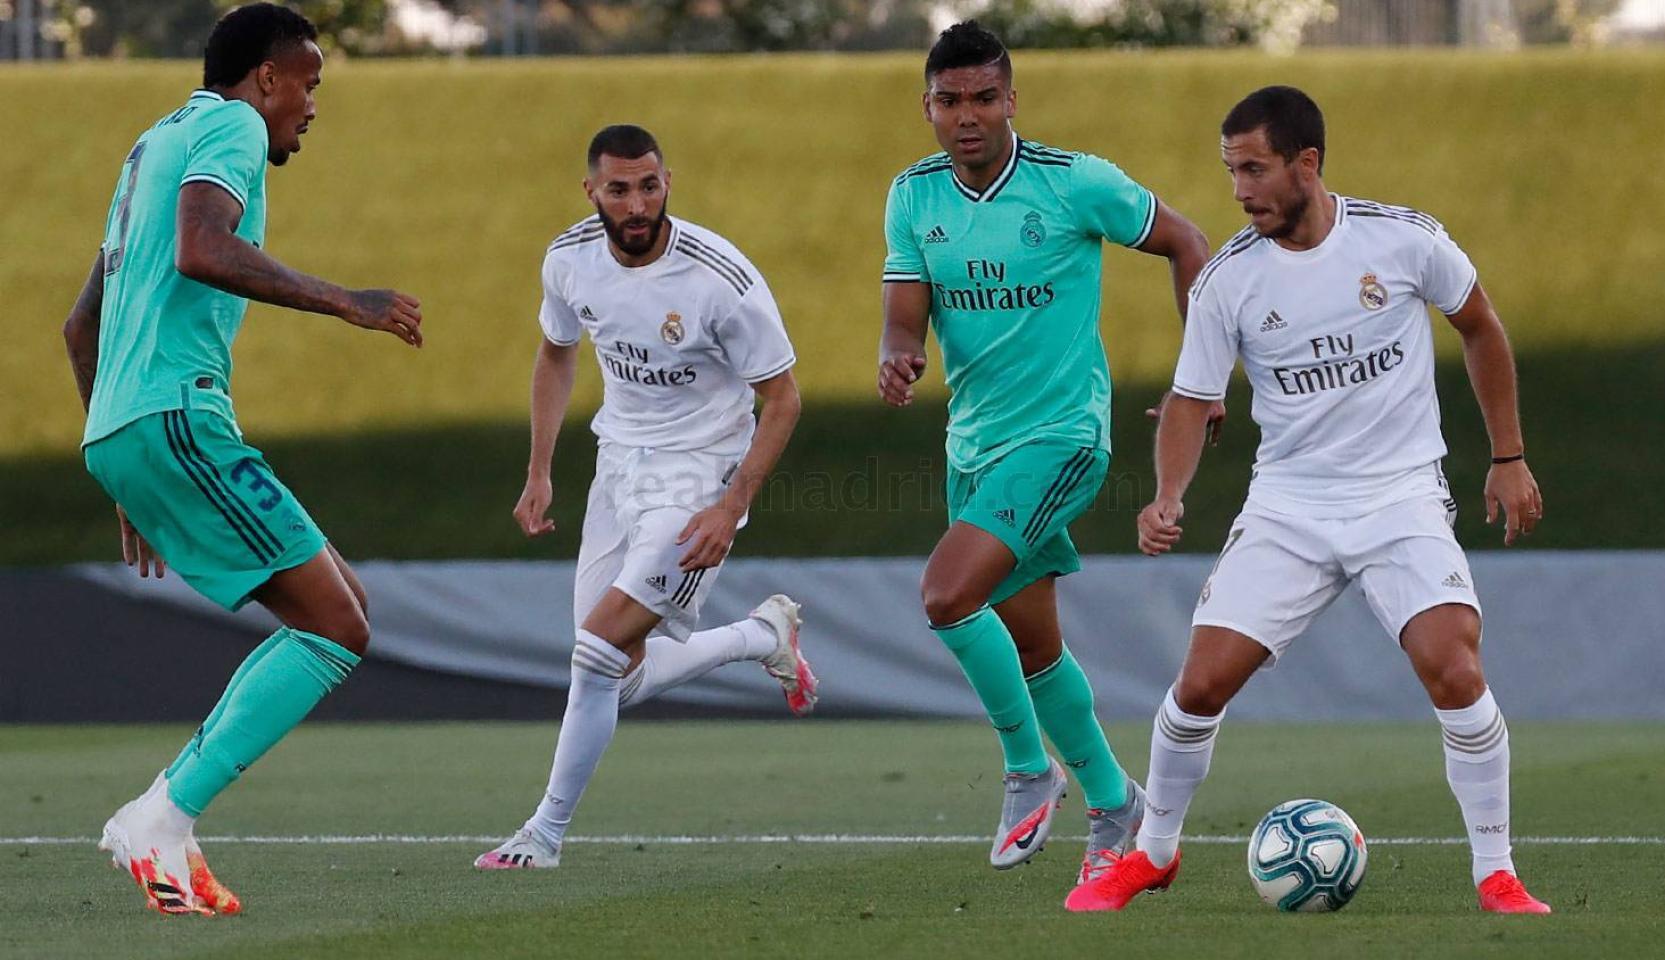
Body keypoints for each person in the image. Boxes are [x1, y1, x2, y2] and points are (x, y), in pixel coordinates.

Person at [1066, 85, 1550, 915]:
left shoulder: (1404, 241)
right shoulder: (1228, 281)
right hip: (1290, 504)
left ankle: (1496, 872)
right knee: (1198, 689)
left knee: (1453, 664)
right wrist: (1166, 495)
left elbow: (1481, 327)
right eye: (1231, 172)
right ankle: (1152, 855)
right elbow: (1190, 398)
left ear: (1307, 163)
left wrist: (1509, 456)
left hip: (1399, 496)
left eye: (1254, 169)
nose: (1240, 190)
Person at [64, 3, 424, 916]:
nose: (311, 105)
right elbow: (203, 249)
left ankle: (170, 824)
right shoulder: (227, 123)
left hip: (131, 422)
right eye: (308, 83)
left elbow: (81, 324)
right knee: (339, 628)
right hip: (177, 415)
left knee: (344, 607)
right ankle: (163, 814)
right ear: (267, 78)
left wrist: (121, 459)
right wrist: (348, 301)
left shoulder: (150, 145)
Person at [877, 21, 1215, 894]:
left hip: (1064, 437)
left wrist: (1202, 378)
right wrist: (899, 350)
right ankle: (1118, 803)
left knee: (947, 594)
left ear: (1011, 101)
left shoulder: (1075, 184)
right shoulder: (913, 196)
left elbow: (1187, 241)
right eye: (949, 101)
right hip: (975, 449)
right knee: (1032, 649)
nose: (967, 117)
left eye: (984, 98)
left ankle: (1030, 766)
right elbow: (905, 305)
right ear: (927, 106)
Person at [474, 124, 816, 871]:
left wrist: (730, 505)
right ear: (592, 190)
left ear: (668, 183)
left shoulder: (719, 279)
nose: (637, 203)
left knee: (596, 650)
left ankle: (544, 834)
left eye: (650, 185)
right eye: (620, 188)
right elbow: (557, 354)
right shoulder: (568, 260)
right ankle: (761, 637)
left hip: (699, 477)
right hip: (619, 466)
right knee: (614, 678)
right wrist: (539, 470)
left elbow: (784, 398)